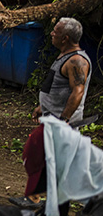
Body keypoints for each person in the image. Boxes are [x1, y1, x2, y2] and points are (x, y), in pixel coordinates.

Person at [23, 17, 92, 196]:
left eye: (56, 31)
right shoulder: (65, 56)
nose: (52, 33)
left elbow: (77, 92)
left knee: (39, 156)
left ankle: (38, 197)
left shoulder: (77, 61)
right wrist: (42, 106)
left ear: (65, 38)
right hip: (52, 117)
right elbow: (56, 87)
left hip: (60, 122)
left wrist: (64, 120)